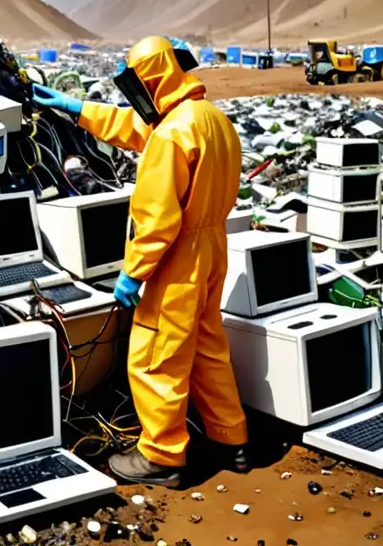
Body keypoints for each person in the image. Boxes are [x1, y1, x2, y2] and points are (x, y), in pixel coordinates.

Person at [33, 36, 248, 488]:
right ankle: (232, 439)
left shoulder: (173, 133)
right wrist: (77, 108)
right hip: (212, 248)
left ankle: (162, 456)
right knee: (207, 346)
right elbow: (136, 127)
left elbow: (156, 220)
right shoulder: (208, 118)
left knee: (156, 356)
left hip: (178, 257)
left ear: (147, 80)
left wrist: (132, 274)